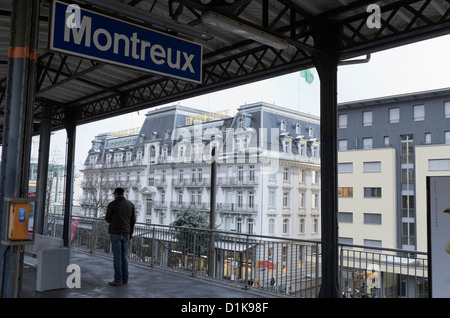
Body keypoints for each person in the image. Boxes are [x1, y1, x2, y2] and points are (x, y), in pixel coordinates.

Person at [105, 187, 136, 286]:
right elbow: (133, 220)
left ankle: (118, 280)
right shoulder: (130, 205)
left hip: (115, 233)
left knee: (117, 256)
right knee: (124, 255)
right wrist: (130, 232)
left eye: (114, 194)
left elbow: (108, 219)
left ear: (116, 194)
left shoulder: (112, 205)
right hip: (126, 233)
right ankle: (125, 279)